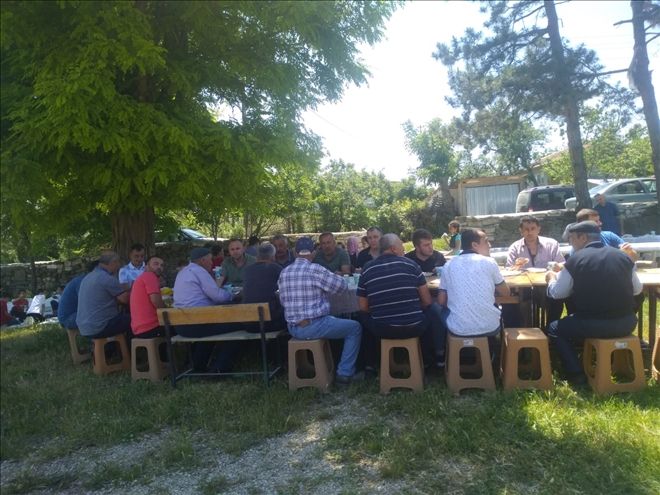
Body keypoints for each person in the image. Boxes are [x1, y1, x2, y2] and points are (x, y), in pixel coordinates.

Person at [546, 221, 642, 385]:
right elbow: (637, 290)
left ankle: (576, 373)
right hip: (627, 323)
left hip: (592, 324)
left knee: (554, 329)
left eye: (572, 239)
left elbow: (557, 293)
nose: (570, 243)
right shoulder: (624, 257)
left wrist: (551, 279)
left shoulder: (575, 260)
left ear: (583, 237)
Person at [278, 236, 363, 385]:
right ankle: (344, 373)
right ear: (313, 252)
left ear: (295, 253)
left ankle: (322, 366)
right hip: (313, 325)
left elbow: (282, 300)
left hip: (293, 327)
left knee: (333, 321)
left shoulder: (284, 272)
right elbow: (341, 287)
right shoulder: (315, 269)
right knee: (354, 328)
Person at [358, 233, 445, 371]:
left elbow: (363, 306)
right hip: (414, 327)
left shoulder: (367, 269)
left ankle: (371, 363)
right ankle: (431, 358)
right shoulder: (411, 265)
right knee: (432, 309)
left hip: (382, 329)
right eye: (401, 246)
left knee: (362, 316)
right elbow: (427, 301)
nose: (404, 249)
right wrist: (412, 308)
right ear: (393, 249)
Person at [438, 229, 510, 356]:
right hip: (490, 326)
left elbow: (441, 301)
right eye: (486, 241)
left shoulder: (448, 265)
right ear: (474, 245)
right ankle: (491, 353)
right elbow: (506, 293)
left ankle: (447, 355)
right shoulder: (489, 262)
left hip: (458, 328)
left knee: (439, 311)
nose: (489, 245)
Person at [173, 247, 236, 372]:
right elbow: (217, 296)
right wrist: (233, 295)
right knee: (237, 325)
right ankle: (220, 367)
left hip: (181, 325)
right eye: (210, 260)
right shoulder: (199, 271)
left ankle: (198, 366)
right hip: (196, 324)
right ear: (202, 260)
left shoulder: (183, 272)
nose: (212, 263)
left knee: (211, 328)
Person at [76, 250, 131, 340]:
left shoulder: (88, 277)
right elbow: (125, 299)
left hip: (84, 327)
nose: (119, 266)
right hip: (100, 326)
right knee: (135, 319)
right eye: (118, 263)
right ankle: (131, 347)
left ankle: (112, 347)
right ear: (113, 262)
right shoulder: (106, 278)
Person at [242, 243, 286, 332]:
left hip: (249, 324)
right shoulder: (277, 268)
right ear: (273, 257)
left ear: (257, 256)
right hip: (272, 323)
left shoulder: (247, 270)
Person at [130, 256, 167, 338]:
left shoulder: (143, 277)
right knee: (181, 327)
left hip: (140, 328)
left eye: (162, 265)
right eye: (156, 264)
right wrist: (168, 310)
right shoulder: (149, 276)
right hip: (150, 327)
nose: (159, 267)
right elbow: (156, 301)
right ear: (146, 266)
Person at [58, 260, 99, 329]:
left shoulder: (86, 279)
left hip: (74, 315)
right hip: (68, 318)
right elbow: (88, 304)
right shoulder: (83, 281)